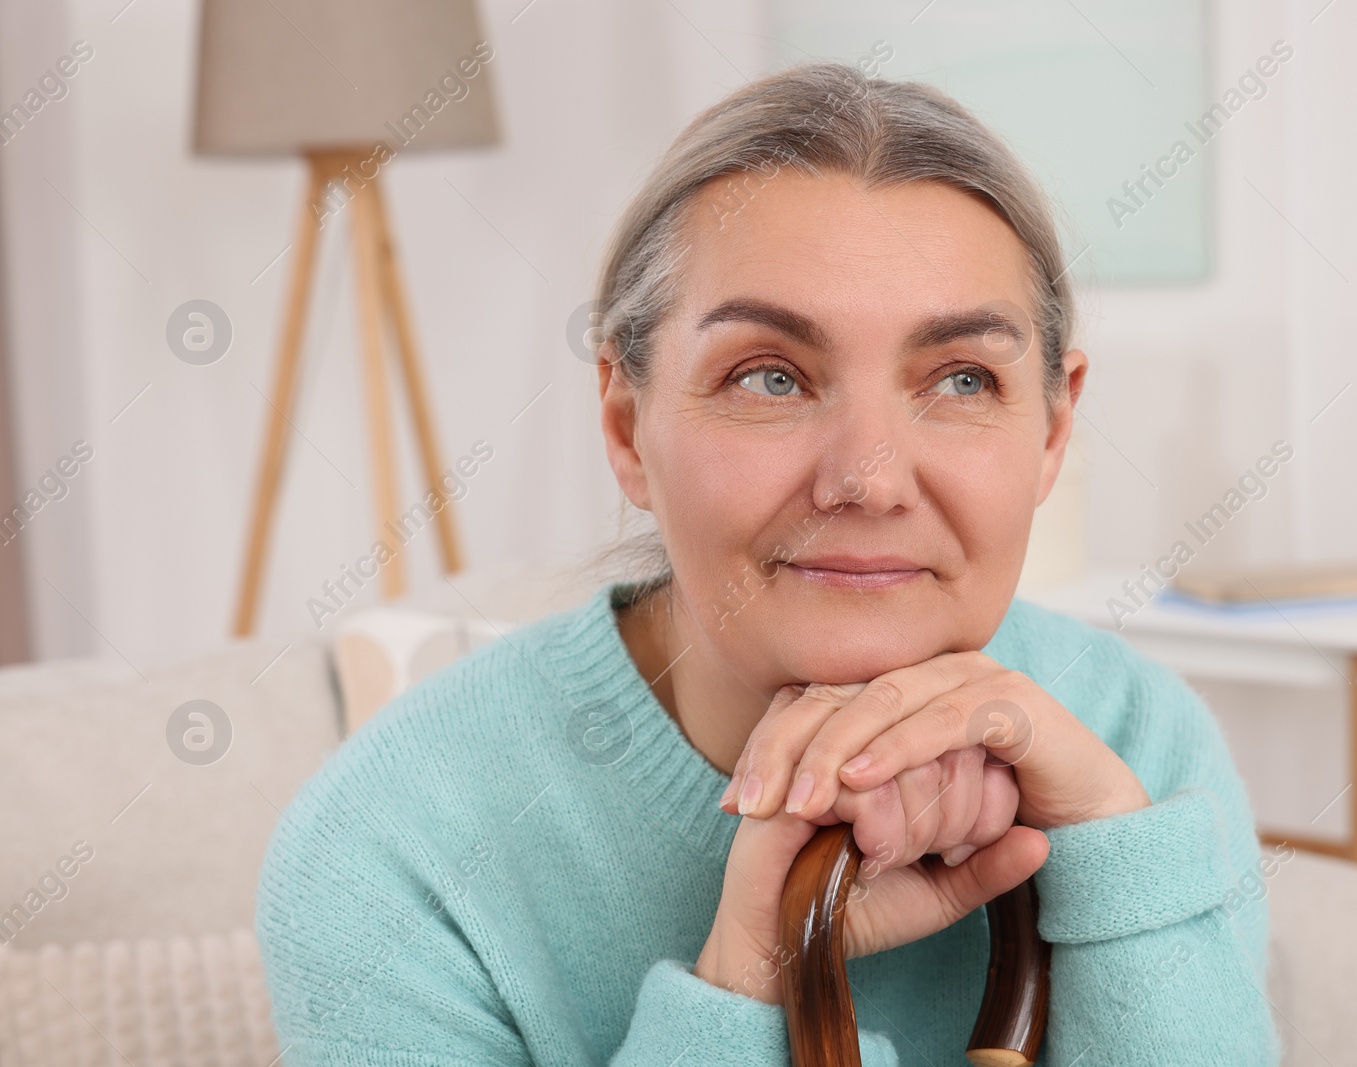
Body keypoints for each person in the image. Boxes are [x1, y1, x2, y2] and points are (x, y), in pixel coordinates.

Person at [256, 60, 1280, 1066]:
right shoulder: (385, 853)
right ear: (625, 425)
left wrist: (1113, 853)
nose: (869, 479)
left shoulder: (1138, 746)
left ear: (1053, 429)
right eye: (770, 377)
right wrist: (749, 974)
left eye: (963, 378)